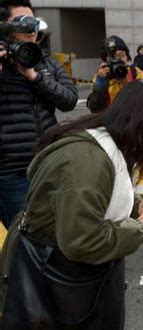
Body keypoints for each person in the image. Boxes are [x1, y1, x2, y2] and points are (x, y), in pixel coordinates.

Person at [0, 80, 143, 330]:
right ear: (141, 118)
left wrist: (137, 206)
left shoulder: (110, 145)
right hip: (57, 284)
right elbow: (82, 240)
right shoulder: (86, 159)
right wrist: (140, 228)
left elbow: (99, 198)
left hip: (76, 283)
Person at [0, 0, 78, 228]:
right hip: (12, 171)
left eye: (33, 23)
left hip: (49, 162)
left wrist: (35, 77)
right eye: (21, 23)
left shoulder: (46, 63)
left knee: (57, 230)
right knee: (24, 235)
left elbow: (69, 100)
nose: (30, 30)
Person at [87, 35, 143, 113]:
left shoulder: (135, 72)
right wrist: (101, 82)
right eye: (114, 57)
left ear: (127, 57)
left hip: (133, 120)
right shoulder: (102, 75)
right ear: (106, 59)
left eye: (122, 55)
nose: (118, 60)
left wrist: (126, 84)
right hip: (111, 121)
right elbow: (95, 107)